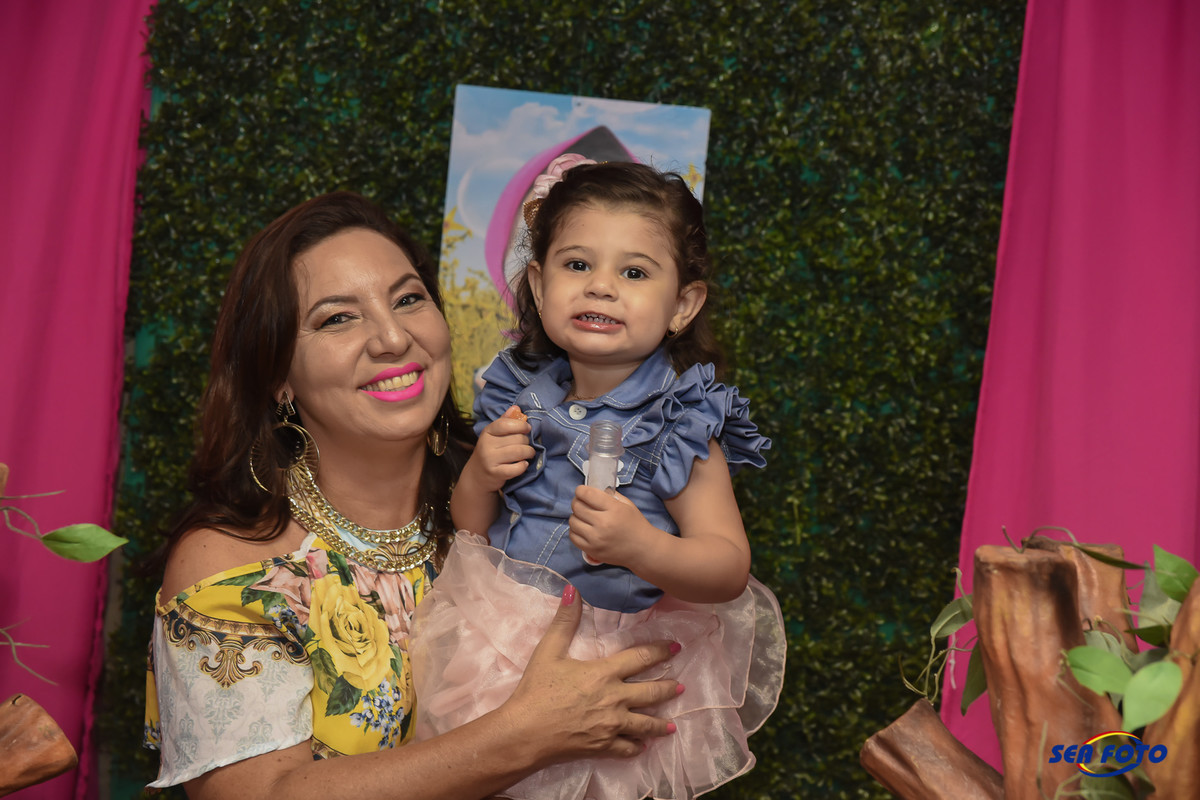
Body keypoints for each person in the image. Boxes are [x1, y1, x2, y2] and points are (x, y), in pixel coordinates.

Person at [142, 191, 683, 800]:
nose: (392, 338)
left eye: (408, 299)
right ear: (278, 376)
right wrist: (524, 735)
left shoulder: (520, 496)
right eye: (337, 318)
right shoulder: (235, 565)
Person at [412, 158, 786, 800]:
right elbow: (471, 530)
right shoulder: (517, 396)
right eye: (578, 264)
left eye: (634, 272)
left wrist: (642, 547)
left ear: (683, 304)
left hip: (611, 663)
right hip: (499, 638)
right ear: (539, 282)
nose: (601, 287)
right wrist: (478, 476)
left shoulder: (679, 424)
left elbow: (727, 567)